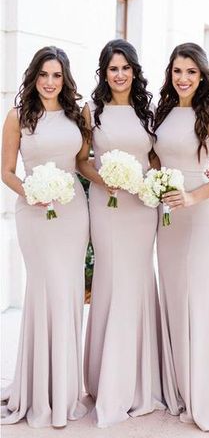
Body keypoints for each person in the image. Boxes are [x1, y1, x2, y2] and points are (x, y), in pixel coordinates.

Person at [77, 39, 166, 427]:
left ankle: (139, 383)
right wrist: (105, 180)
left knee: (138, 282)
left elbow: (157, 157)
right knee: (113, 282)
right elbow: (81, 161)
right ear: (104, 72)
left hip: (142, 207)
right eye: (113, 68)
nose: (120, 74)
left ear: (134, 70)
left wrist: (190, 174)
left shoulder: (148, 111)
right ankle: (106, 381)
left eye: (126, 67)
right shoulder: (90, 111)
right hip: (108, 205)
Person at [1, 46, 90, 427]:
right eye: (43, 75)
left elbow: (87, 163)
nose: (50, 83)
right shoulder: (17, 116)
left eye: (56, 75)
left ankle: (65, 391)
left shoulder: (78, 114)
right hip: (34, 213)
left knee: (69, 293)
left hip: (73, 214)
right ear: (33, 76)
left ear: (65, 79)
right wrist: (32, 194)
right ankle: (38, 391)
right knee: (44, 291)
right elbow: (6, 171)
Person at [153, 42, 209, 432]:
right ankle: (181, 385)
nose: (183, 78)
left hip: (201, 214)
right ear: (170, 74)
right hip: (168, 215)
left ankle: (207, 392)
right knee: (173, 297)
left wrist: (193, 193)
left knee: (199, 298)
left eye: (191, 72)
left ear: (202, 76)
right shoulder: (164, 111)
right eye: (177, 71)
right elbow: (157, 157)